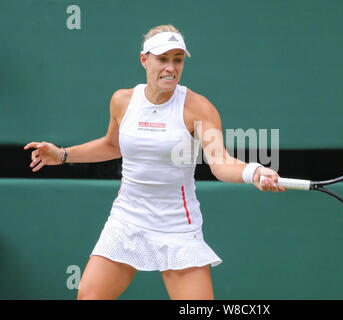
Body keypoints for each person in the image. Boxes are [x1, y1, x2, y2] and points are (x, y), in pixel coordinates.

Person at [24, 24, 284, 300]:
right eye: (162, 59)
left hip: (177, 227)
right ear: (144, 60)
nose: (171, 68)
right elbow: (112, 145)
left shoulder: (198, 108)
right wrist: (63, 155)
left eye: (177, 60)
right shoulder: (122, 101)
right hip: (127, 220)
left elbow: (220, 162)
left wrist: (253, 171)